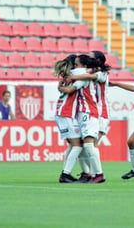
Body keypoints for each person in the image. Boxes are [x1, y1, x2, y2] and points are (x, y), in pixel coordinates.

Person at [64, 51, 111, 182]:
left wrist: (70, 76)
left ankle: (97, 174)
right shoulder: (88, 73)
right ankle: (88, 173)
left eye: (91, 58)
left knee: (90, 146)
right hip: (88, 111)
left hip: (100, 113)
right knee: (84, 146)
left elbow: (86, 76)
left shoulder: (101, 74)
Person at [54, 54, 85, 183]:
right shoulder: (76, 76)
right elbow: (69, 90)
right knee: (78, 146)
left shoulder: (67, 75)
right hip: (66, 113)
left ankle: (66, 172)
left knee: (72, 146)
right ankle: (65, 174)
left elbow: (62, 88)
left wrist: (61, 87)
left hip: (62, 112)